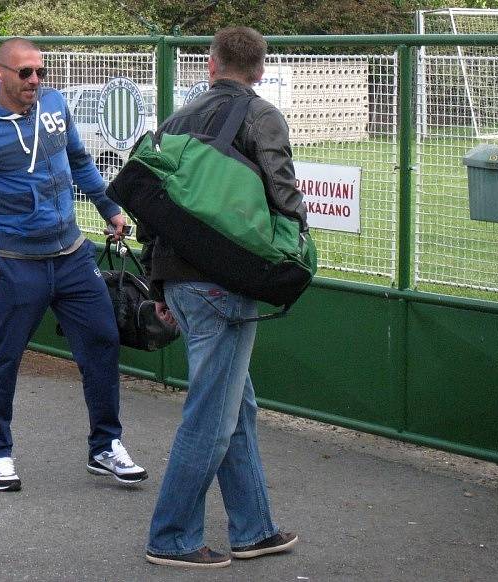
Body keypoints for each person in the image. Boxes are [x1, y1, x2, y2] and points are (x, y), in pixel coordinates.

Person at [0, 38, 147, 492]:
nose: (36, 81)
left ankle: (105, 446)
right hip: (19, 263)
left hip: (72, 256)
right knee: (4, 358)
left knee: (103, 341)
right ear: (0, 73)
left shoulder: (56, 105)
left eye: (41, 72)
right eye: (25, 73)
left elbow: (81, 162)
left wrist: (110, 210)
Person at [141, 27, 304, 568]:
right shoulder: (262, 117)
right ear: (259, 70)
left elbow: (155, 209)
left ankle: (254, 527)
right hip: (226, 285)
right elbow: (284, 198)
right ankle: (172, 537)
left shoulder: (179, 118)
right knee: (212, 414)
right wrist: (294, 254)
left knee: (238, 406)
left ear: (211, 65)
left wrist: (160, 283)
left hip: (181, 281)